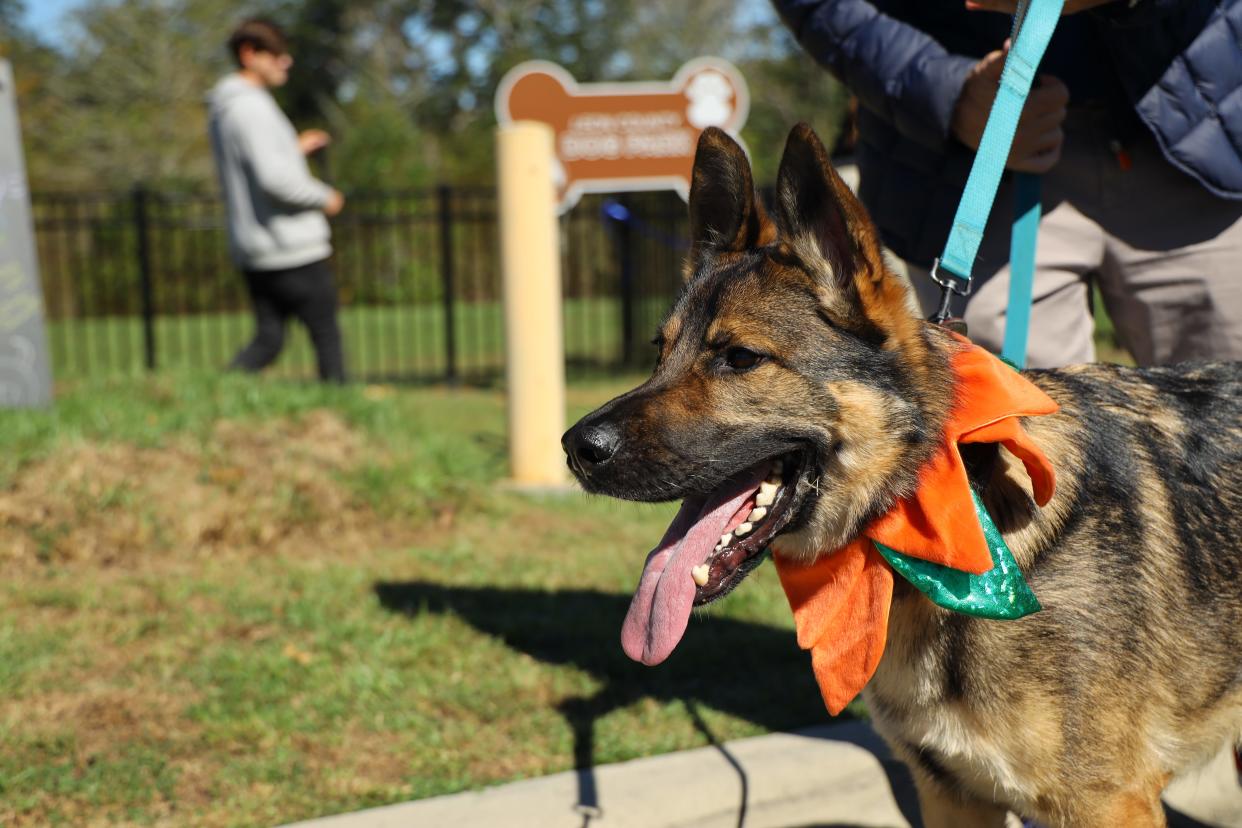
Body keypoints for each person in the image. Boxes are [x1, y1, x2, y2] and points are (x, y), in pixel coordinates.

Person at [771, 0, 1242, 368]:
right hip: (966, 171)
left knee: (1224, 431)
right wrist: (944, 92)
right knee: (1015, 454)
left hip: (1196, 146)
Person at [207, 18, 347, 382]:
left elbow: (258, 164)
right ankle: (346, 418)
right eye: (277, 55)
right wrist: (323, 196)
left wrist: (294, 147)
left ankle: (215, 394)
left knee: (269, 339)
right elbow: (273, 180)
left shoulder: (229, 106)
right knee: (327, 338)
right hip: (288, 246)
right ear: (249, 54)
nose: (286, 62)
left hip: (258, 246)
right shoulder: (249, 107)